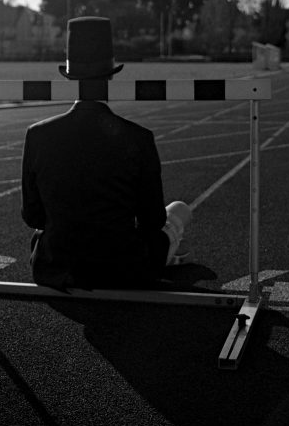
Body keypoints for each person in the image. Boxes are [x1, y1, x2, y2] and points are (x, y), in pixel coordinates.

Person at [21, 16, 190, 290]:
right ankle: (165, 259)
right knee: (180, 210)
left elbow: (33, 217)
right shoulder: (139, 138)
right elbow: (153, 221)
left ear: (69, 75)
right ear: (111, 75)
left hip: (56, 268)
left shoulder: (37, 135)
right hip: (122, 269)